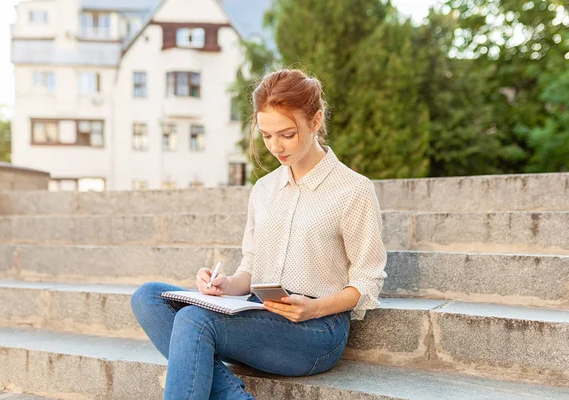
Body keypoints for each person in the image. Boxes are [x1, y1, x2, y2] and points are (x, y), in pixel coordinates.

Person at [131, 68, 387, 400]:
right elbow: (251, 268)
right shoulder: (264, 189)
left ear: (315, 120)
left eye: (286, 134)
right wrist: (224, 286)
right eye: (266, 136)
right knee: (148, 297)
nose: (275, 147)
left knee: (194, 321)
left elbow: (367, 280)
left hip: (317, 329)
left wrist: (314, 308)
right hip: (257, 312)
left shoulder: (353, 190)